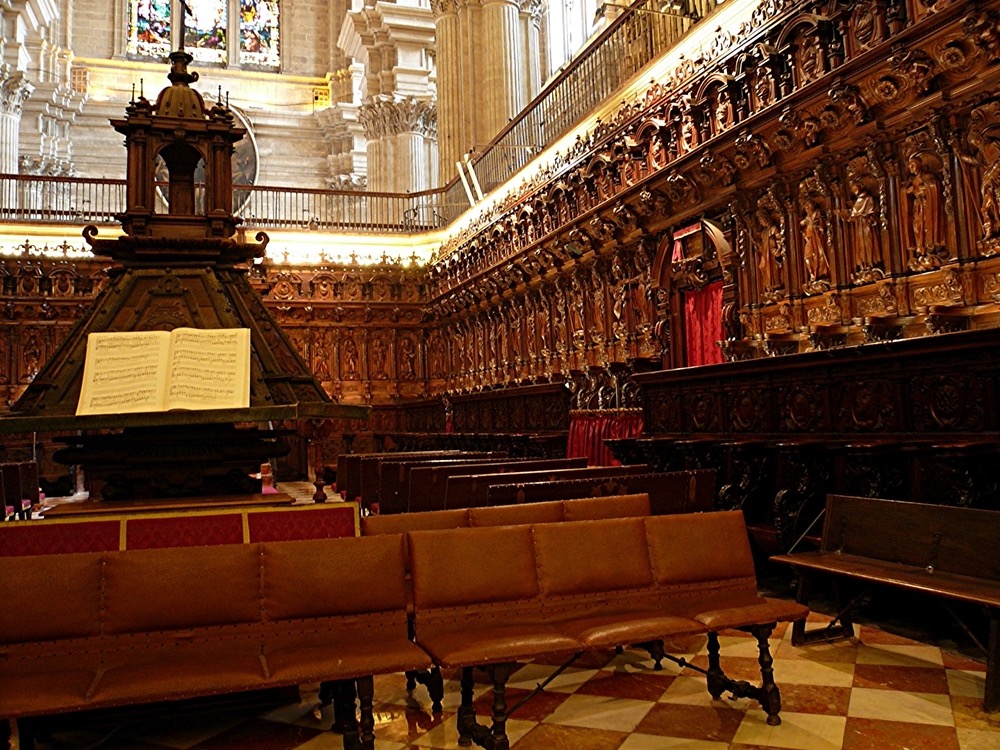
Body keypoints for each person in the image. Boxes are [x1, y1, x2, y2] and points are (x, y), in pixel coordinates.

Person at [905, 156, 943, 252]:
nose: (911, 167)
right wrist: (909, 191)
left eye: (913, 165)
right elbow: (906, 191)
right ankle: (920, 246)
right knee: (917, 226)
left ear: (919, 164)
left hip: (927, 205)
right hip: (917, 205)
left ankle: (930, 244)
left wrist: (923, 188)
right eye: (909, 166)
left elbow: (934, 186)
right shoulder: (911, 180)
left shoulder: (927, 176)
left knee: (926, 224)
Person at [800, 200, 830, 280]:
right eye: (806, 208)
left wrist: (818, 225)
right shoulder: (807, 218)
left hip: (817, 237)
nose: (807, 209)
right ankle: (812, 274)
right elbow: (800, 225)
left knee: (819, 255)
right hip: (809, 238)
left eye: (808, 207)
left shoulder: (817, 213)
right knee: (807, 256)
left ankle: (822, 274)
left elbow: (822, 225)